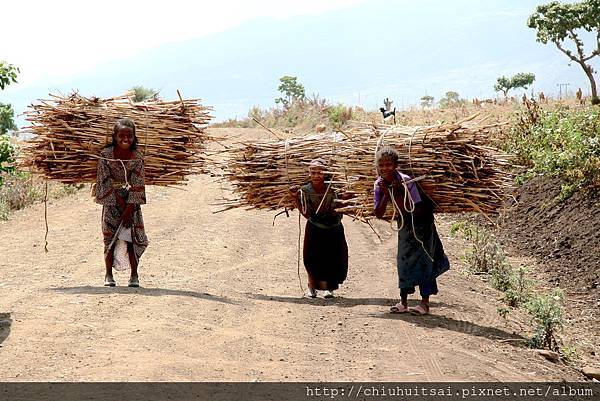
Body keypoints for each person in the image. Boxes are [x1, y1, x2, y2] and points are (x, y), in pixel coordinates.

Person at [373, 146, 449, 315]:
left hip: (422, 223)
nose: (385, 168)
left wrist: (400, 191)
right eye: (382, 165)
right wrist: (386, 194)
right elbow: (378, 213)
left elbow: (415, 209)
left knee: (425, 260)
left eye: (389, 165)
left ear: (396, 166)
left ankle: (424, 303)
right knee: (403, 260)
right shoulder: (379, 184)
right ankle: (404, 302)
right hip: (405, 225)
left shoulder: (407, 180)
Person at [95, 118, 149, 287]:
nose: (125, 139)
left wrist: (128, 209)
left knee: (132, 239)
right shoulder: (106, 155)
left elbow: (138, 183)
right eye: (121, 135)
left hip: (132, 204)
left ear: (134, 137)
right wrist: (119, 202)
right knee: (109, 239)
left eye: (129, 136)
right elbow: (104, 180)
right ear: (115, 136)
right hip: (111, 203)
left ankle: (134, 276)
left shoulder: (138, 157)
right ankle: (108, 275)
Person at [289, 158, 348, 298]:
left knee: (332, 257)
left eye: (320, 172)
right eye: (313, 172)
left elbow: (343, 205)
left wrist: (340, 206)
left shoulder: (334, 189)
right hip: (315, 228)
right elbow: (306, 213)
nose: (316, 175)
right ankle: (311, 287)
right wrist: (295, 198)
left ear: (326, 173)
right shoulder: (305, 190)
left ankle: (329, 288)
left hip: (333, 227)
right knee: (311, 258)